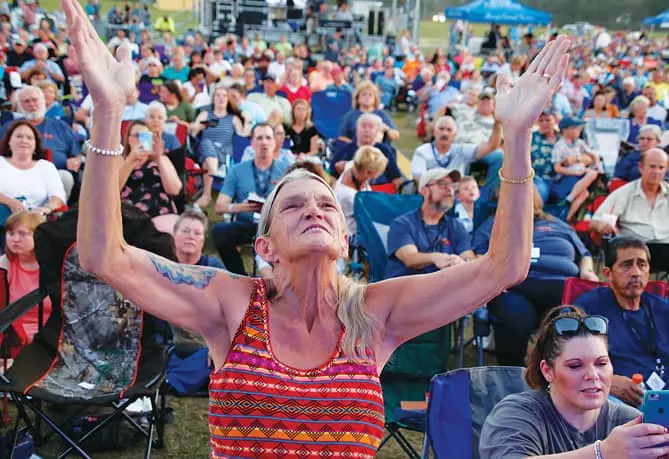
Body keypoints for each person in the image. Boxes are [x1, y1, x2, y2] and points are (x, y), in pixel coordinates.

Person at [66, 1, 567, 452]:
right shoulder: (230, 303)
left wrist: (517, 135)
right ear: (265, 244)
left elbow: (505, 266)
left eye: (326, 205)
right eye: (294, 205)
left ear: (344, 238)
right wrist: (109, 112)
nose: (314, 210)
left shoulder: (376, 314)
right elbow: (104, 255)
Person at [480, 305, 669, 459]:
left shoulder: (629, 423)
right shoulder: (518, 414)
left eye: (601, 363)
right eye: (575, 366)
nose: (593, 375)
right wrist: (602, 453)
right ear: (548, 371)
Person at [473, 188, 598, 365]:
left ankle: (562, 372)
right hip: (517, 287)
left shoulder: (557, 224)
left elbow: (584, 254)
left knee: (572, 321)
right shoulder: (494, 223)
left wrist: (588, 271)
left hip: (561, 288)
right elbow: (478, 253)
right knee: (514, 319)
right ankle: (513, 375)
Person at [574, 237, 669, 407]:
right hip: (616, 400)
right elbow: (563, 358)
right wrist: (608, 380)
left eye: (642, 264)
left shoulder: (662, 308)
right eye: (627, 265)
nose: (635, 273)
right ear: (608, 273)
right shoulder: (587, 308)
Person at [211, 123, 288, 275]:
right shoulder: (237, 170)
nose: (264, 142)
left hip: (277, 226)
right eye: (259, 138)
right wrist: (240, 207)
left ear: (275, 142)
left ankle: (282, 280)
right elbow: (219, 206)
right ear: (252, 143)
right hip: (247, 224)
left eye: (268, 138)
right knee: (219, 231)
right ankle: (240, 277)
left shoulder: (287, 169)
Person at [384, 167, 475, 279]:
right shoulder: (402, 224)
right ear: (424, 190)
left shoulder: (456, 226)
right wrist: (435, 258)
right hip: (408, 289)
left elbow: (468, 257)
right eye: (442, 184)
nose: (449, 189)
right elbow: (410, 258)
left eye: (453, 186)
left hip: (445, 289)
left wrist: (463, 262)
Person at [4, 86, 81, 199]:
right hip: (18, 173)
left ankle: (58, 214)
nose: (31, 104)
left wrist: (76, 160)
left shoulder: (60, 126)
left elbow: (76, 154)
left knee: (66, 177)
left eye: (35, 100)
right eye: (26, 101)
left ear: (43, 101)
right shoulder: (9, 127)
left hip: (54, 174)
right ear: (20, 106)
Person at [590, 148, 669, 245]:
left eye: (661, 168)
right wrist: (603, 226)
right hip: (635, 249)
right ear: (641, 167)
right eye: (652, 167)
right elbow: (595, 221)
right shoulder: (624, 193)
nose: (656, 171)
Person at [189, 84, 251, 208]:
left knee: (208, 161)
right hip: (206, 150)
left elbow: (243, 137)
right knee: (207, 143)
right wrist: (200, 126)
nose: (221, 98)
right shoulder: (205, 114)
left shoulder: (233, 118)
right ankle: (216, 172)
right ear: (213, 99)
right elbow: (193, 133)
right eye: (218, 95)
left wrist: (247, 120)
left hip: (224, 154)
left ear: (228, 99)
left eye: (224, 95)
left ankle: (206, 195)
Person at [0, 210, 52, 349]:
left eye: (22, 234)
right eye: (11, 233)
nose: (15, 239)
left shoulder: (54, 267)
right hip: (12, 340)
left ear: (39, 236)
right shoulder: (3, 265)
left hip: (49, 340)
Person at [119, 120, 182, 233]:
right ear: (128, 139)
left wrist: (158, 158)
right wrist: (131, 159)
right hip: (131, 215)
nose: (141, 139)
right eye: (137, 135)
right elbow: (113, 188)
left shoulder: (162, 160)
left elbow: (174, 190)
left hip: (162, 212)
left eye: (145, 136)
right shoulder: (120, 161)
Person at [0, 121, 66, 225]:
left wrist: (44, 209)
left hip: (36, 223)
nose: (24, 140)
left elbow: (58, 196)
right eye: (19, 136)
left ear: (35, 145)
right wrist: (10, 202)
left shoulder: (46, 166)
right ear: (9, 141)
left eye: (29, 138)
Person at [411, 115, 503, 183]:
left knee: (500, 155)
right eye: (441, 129)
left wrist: (497, 123)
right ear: (434, 132)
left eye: (449, 130)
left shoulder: (461, 150)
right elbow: (419, 178)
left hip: (456, 197)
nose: (445, 133)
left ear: (454, 135)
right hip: (431, 195)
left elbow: (492, 146)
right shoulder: (422, 151)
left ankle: (486, 197)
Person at [329, 113, 403, 186]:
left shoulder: (385, 150)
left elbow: (396, 178)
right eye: (363, 126)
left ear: (377, 131)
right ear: (357, 129)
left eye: (371, 127)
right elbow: (332, 176)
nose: (367, 130)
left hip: (380, 193)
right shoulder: (345, 150)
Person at [551, 117, 601, 221]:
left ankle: (568, 208)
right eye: (575, 128)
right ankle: (567, 217)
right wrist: (574, 172)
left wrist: (597, 166)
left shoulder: (579, 143)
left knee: (593, 174)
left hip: (580, 174)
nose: (578, 130)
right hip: (567, 176)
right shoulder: (559, 146)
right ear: (565, 130)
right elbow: (557, 168)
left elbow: (594, 155)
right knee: (584, 193)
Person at [333, 146, 387, 234]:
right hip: (352, 237)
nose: (379, 175)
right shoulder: (351, 197)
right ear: (368, 172)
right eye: (378, 172)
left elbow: (338, 165)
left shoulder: (353, 167)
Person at [531, 109, 559, 204]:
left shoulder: (562, 137)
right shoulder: (531, 137)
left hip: (557, 178)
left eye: (548, 120)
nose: (544, 123)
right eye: (541, 120)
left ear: (554, 120)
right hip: (537, 178)